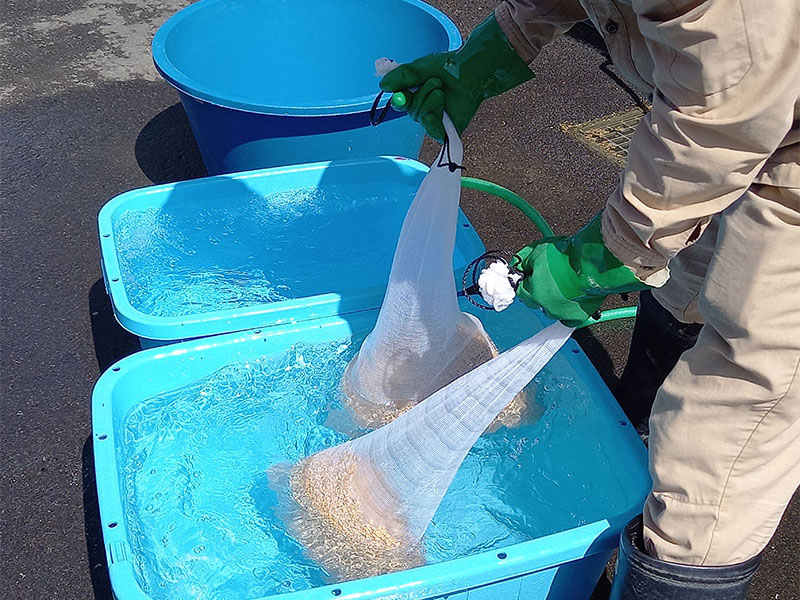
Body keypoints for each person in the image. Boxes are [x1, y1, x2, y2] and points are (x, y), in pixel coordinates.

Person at [380, 2, 800, 598]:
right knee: (684, 285)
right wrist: (491, 52)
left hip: (773, 145)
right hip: (743, 113)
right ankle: (629, 453)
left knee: (730, 428)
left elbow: (721, 121)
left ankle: (673, 563)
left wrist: (592, 261)